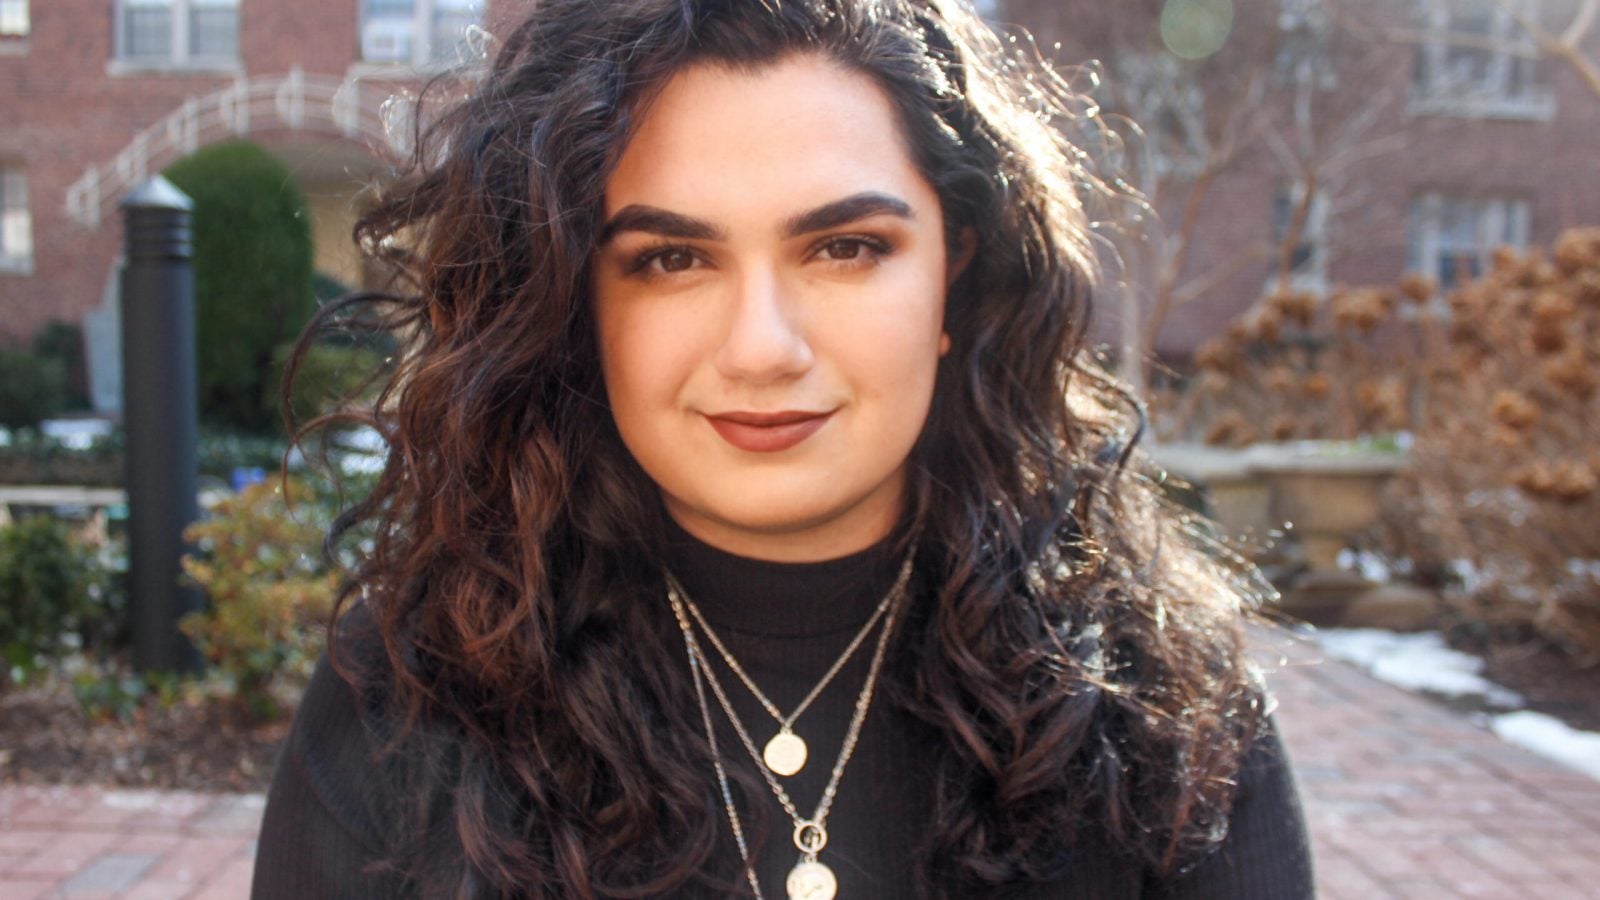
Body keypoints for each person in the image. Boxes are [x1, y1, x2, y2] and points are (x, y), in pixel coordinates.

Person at [252, 1, 1315, 898]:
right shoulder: (405, 703)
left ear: (957, 272)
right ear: (573, 302)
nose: (763, 348)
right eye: (670, 258)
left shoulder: (1165, 716)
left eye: (845, 249)